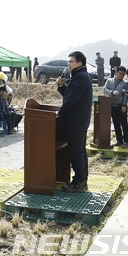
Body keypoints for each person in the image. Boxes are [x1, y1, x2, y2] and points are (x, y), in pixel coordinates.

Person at [56, 51, 93, 193]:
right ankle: (82, 179)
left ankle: (79, 182)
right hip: (78, 120)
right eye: (68, 62)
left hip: (76, 121)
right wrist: (61, 87)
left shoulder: (81, 77)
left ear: (79, 63)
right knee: (79, 150)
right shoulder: (78, 76)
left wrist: (59, 115)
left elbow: (71, 101)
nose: (69, 64)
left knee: (76, 151)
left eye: (71, 61)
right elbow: (69, 95)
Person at [102, 66, 128, 148]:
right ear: (116, 72)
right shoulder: (109, 81)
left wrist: (124, 105)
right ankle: (119, 140)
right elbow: (104, 89)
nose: (121, 75)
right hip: (111, 105)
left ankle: (126, 141)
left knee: (123, 123)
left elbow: (126, 95)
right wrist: (112, 92)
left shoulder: (125, 83)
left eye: (123, 74)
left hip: (120, 105)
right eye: (120, 73)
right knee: (116, 123)